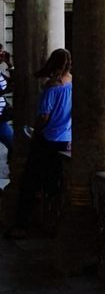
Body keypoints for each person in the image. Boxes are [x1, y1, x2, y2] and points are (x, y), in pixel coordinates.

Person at [6, 48, 72, 239]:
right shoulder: (73, 84)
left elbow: (44, 116)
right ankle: (53, 225)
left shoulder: (52, 88)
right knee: (54, 185)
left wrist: (36, 133)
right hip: (65, 141)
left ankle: (21, 226)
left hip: (47, 140)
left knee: (29, 183)